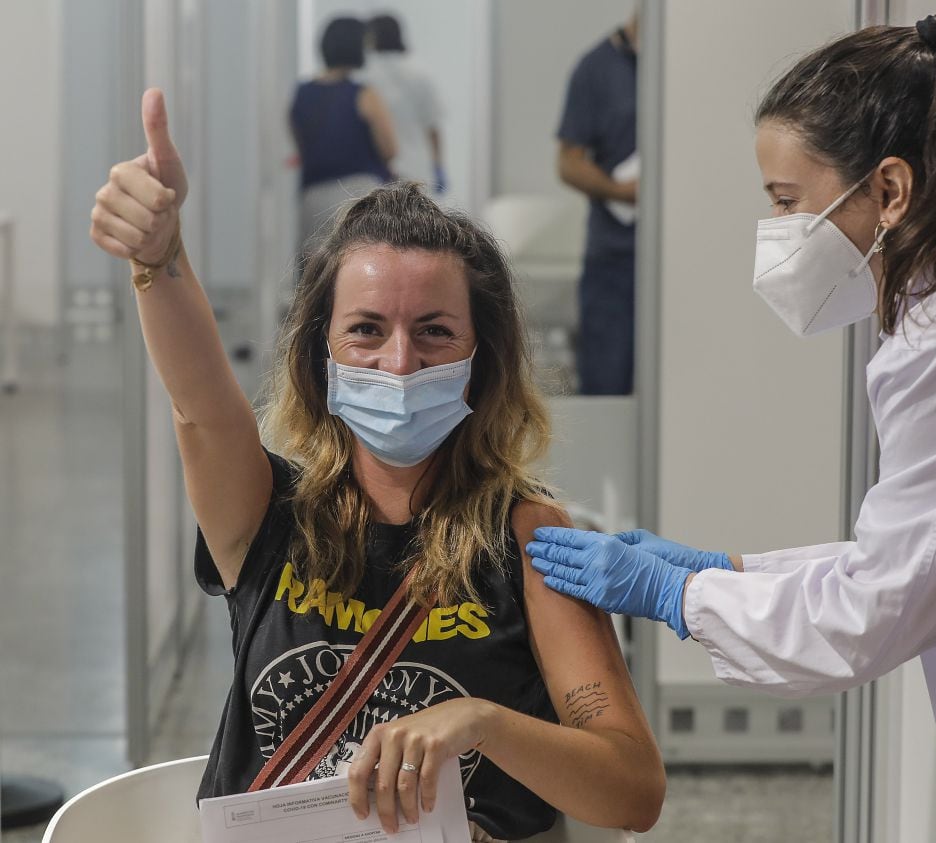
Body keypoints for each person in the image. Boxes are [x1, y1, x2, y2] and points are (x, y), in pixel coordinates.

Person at [529, 8, 936, 840]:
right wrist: (731, 571)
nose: (781, 234)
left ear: (889, 190)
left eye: (789, 202)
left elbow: (878, 609)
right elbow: (917, 553)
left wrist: (680, 593)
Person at [89, 89, 665, 842]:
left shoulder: (529, 539)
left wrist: (482, 723)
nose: (399, 362)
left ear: (479, 358)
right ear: (320, 354)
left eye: (433, 331)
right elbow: (201, 406)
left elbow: (632, 790)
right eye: (366, 329)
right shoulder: (267, 516)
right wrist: (158, 257)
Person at [555, 13, 638, 395]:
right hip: (615, 258)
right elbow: (568, 163)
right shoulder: (597, 68)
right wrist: (622, 192)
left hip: (683, 258)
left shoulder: (688, 67)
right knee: (607, 383)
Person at [290, 16, 397, 258]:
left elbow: (301, 146)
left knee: (316, 271)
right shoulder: (363, 94)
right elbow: (390, 149)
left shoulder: (301, 95)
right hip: (359, 193)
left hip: (313, 196)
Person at [359, 13, 446, 193]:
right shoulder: (419, 73)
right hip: (417, 171)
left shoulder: (364, 75)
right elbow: (433, 127)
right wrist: (438, 166)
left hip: (378, 174)